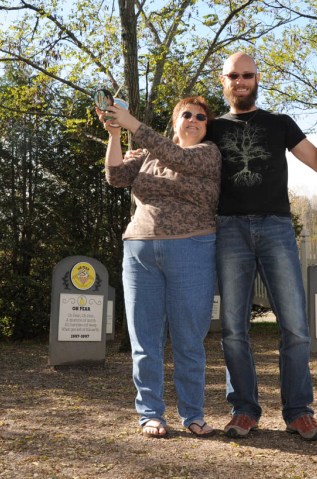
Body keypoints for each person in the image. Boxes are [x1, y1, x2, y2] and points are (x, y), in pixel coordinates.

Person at [205, 52, 317, 441]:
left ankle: (299, 412)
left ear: (257, 78)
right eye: (233, 75)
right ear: (222, 80)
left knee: (297, 327)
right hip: (229, 230)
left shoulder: (280, 124)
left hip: (276, 228)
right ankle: (244, 410)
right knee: (234, 328)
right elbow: (178, 156)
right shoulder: (211, 128)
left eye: (247, 75)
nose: (240, 81)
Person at [97, 96, 221, 439]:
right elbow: (115, 177)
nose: (193, 120)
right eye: (186, 114)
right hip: (139, 251)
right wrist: (114, 134)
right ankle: (150, 414)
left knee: (189, 339)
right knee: (144, 338)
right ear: (175, 120)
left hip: (192, 248)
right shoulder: (148, 154)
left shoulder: (208, 153)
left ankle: (193, 414)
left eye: (200, 117)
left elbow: (177, 157)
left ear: (206, 126)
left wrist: (132, 123)